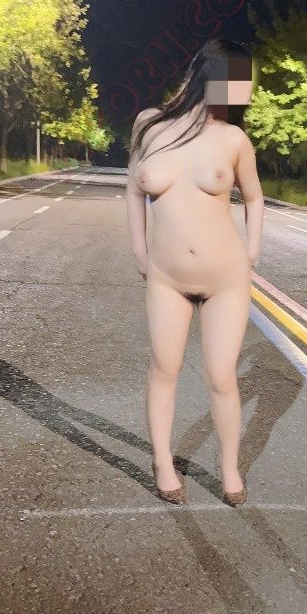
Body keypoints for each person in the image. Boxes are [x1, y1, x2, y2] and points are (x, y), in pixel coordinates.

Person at [126, 37, 265, 505]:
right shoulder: (149, 125)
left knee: (221, 375)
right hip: (167, 278)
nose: (248, 90)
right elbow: (133, 191)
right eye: (243, 78)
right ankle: (163, 462)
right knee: (164, 367)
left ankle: (229, 468)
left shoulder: (233, 139)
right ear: (214, 75)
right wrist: (140, 251)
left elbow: (254, 198)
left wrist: (251, 253)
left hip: (226, 280)